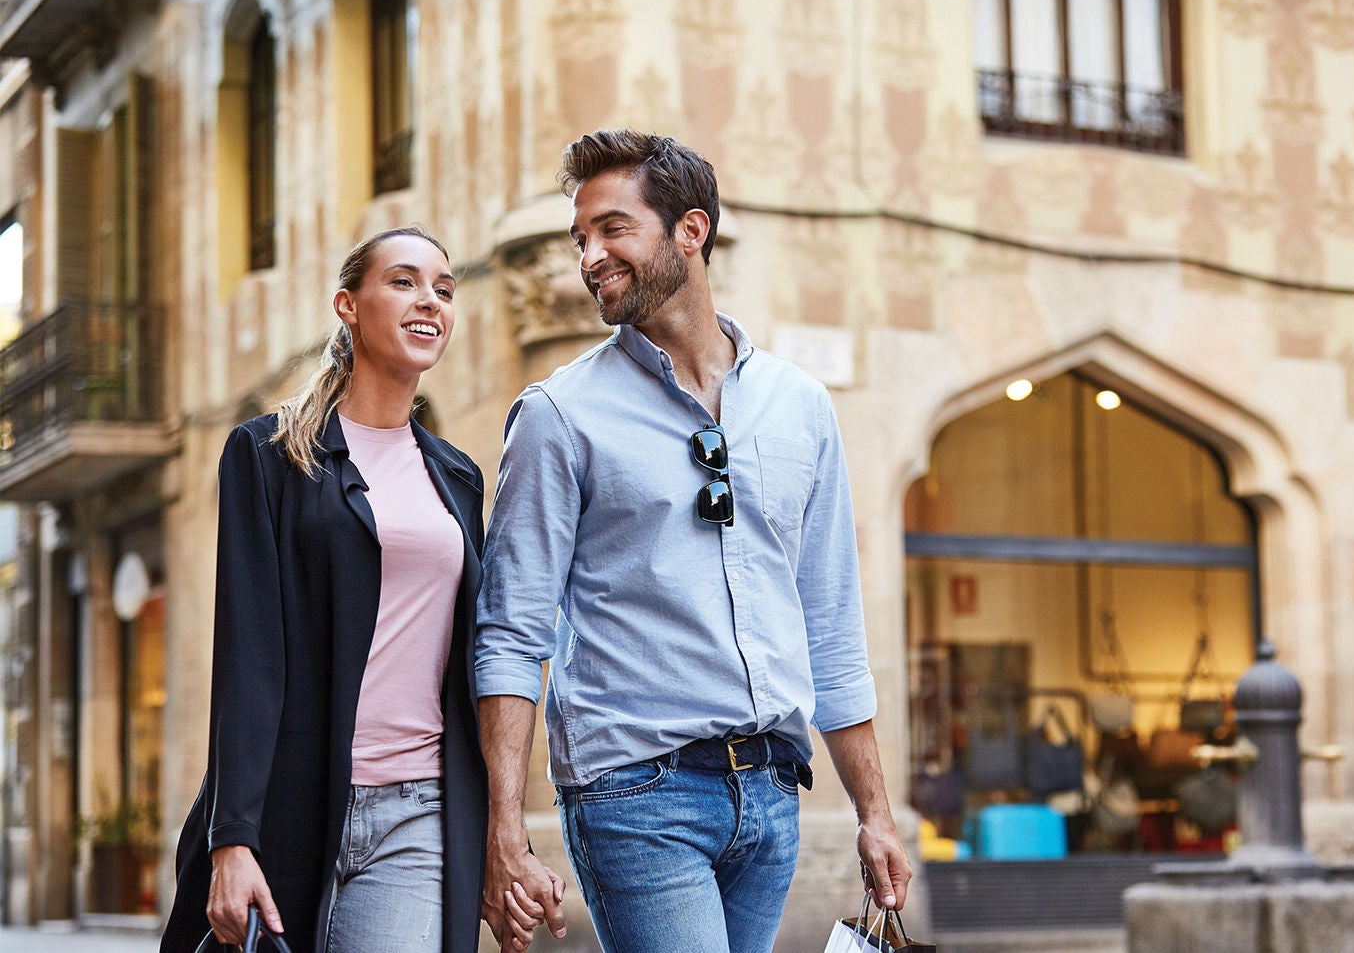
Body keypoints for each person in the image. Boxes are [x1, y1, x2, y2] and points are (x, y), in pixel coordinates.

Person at [474, 130, 912, 953]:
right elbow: (509, 634)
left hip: (774, 793)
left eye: (612, 228)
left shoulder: (801, 406)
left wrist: (875, 813)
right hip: (636, 795)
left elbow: (831, 624)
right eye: (580, 239)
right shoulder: (558, 416)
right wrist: (505, 833)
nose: (589, 257)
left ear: (691, 231)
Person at [161, 228, 546, 953]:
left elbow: (479, 655)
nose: (429, 299)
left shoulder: (457, 476)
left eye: (443, 287)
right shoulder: (269, 455)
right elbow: (250, 655)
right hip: (290, 804)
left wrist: (499, 835)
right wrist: (231, 838)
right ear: (348, 305)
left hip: (419, 812)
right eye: (403, 282)